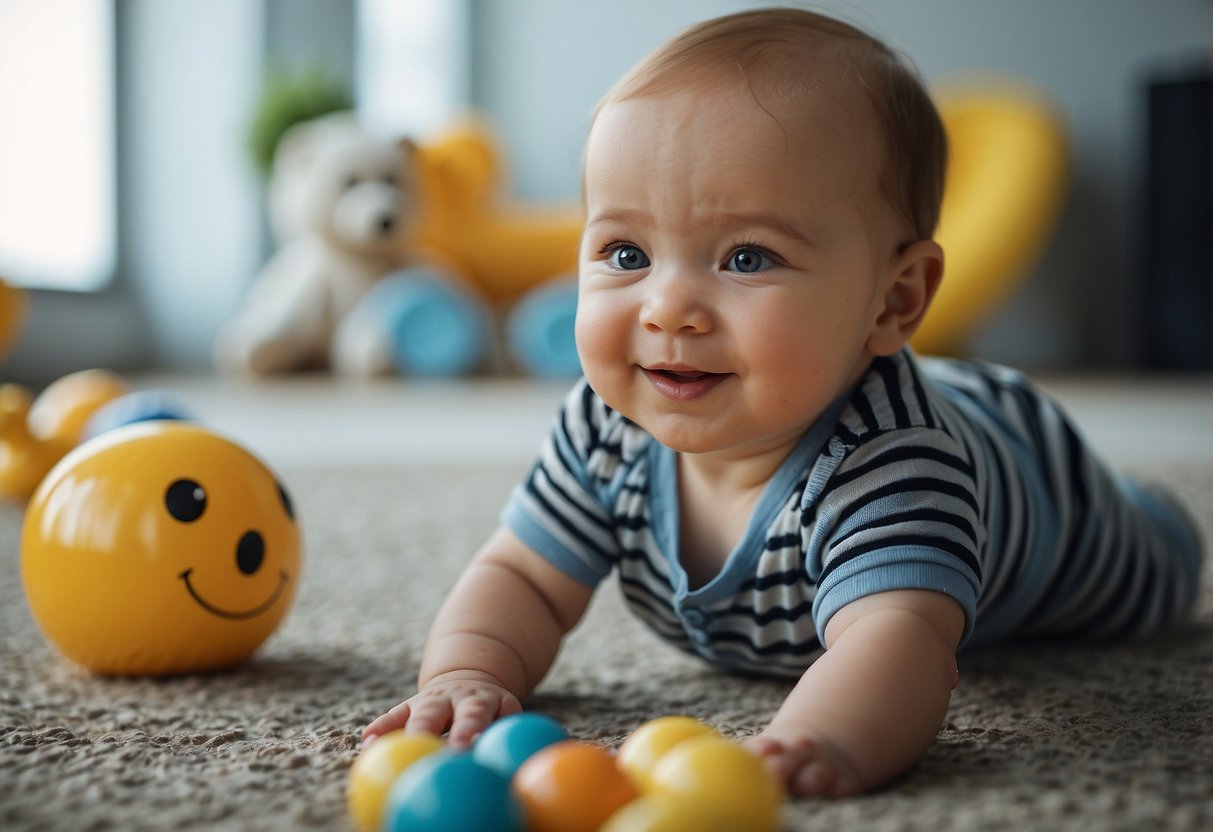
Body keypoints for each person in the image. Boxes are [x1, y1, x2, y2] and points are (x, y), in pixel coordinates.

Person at [363, 7, 1204, 797]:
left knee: (1159, 570)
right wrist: (466, 674)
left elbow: (899, 644)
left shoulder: (892, 464)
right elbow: (522, 577)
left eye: (745, 259)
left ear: (895, 300)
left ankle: (1162, 519)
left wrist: (814, 740)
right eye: (625, 251)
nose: (666, 308)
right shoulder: (604, 424)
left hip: (1046, 490)